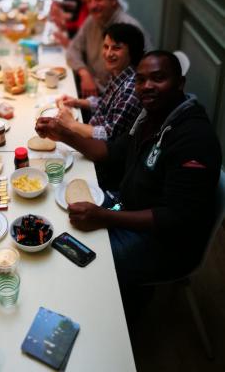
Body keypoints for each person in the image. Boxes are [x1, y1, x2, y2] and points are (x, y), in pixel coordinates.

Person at [36, 51, 222, 298]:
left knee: (78, 263)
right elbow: (109, 152)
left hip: (163, 243)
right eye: (140, 80)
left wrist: (105, 216)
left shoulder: (194, 138)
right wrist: (63, 134)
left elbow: (175, 218)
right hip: (125, 208)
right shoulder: (150, 117)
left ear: (180, 83)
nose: (147, 86)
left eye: (158, 78)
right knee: (58, 224)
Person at [66, 0, 152, 96]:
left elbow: (144, 75)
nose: (92, 6)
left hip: (114, 99)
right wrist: (84, 74)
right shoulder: (92, 20)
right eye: (89, 1)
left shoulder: (130, 28)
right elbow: (72, 50)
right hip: (91, 94)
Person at [57, 23, 144, 141]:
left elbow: (108, 135)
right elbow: (106, 104)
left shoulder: (130, 88)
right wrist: (77, 102)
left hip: (99, 148)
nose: (108, 54)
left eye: (116, 48)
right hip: (92, 127)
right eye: (106, 46)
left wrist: (71, 123)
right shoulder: (119, 72)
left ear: (132, 52)